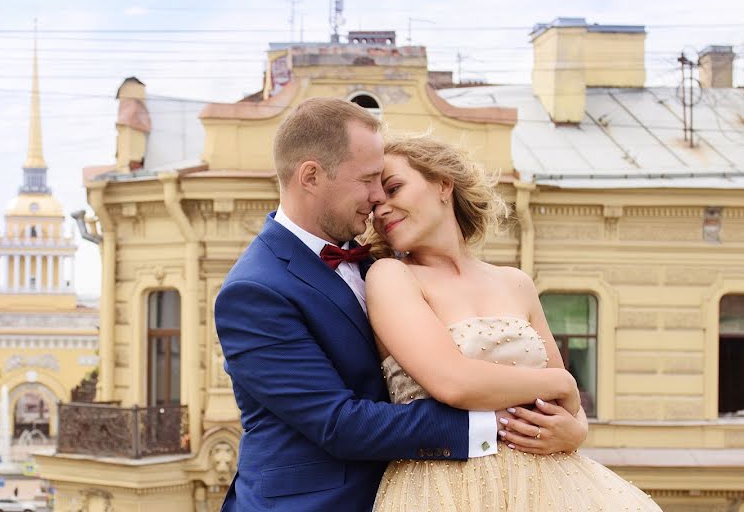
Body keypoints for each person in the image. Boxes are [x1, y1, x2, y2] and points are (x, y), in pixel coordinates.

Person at [214, 98, 587, 512]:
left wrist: (571, 430)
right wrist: (503, 425)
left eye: (388, 185)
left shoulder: (383, 264)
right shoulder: (255, 289)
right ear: (311, 176)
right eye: (370, 180)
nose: (377, 200)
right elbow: (339, 423)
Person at [366, 134, 661, 510]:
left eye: (393, 189)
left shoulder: (516, 283)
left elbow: (569, 410)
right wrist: (561, 381)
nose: (382, 211)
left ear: (443, 184)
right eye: (375, 204)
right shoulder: (391, 276)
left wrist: (576, 431)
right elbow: (453, 382)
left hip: (555, 487)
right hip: (447, 489)